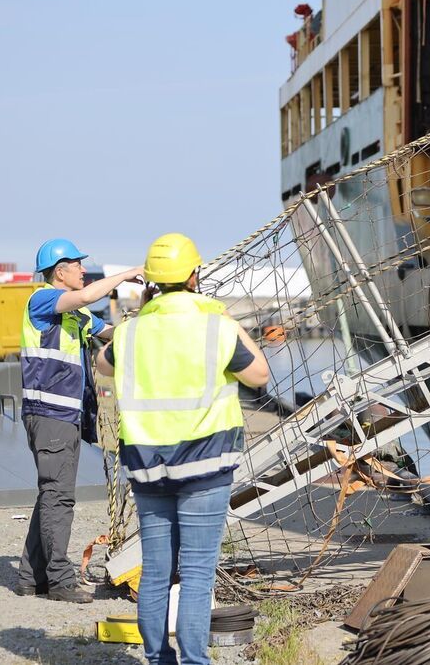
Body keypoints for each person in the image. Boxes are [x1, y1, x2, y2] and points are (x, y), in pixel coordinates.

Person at [96, 233, 268, 665]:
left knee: (155, 571)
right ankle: (194, 661)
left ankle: (158, 660)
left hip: (148, 466)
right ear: (195, 276)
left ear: (151, 281)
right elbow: (260, 376)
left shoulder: (132, 332)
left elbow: (102, 364)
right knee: (195, 573)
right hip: (206, 464)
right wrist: (226, 316)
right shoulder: (216, 326)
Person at [16, 239, 144, 602]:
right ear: (60, 271)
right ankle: (59, 581)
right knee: (59, 498)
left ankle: (31, 577)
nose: (83, 271)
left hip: (67, 416)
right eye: (77, 265)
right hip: (49, 415)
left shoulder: (77, 316)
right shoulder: (41, 300)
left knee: (50, 496)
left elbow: (112, 334)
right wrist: (131, 273)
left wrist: (149, 321)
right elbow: (87, 297)